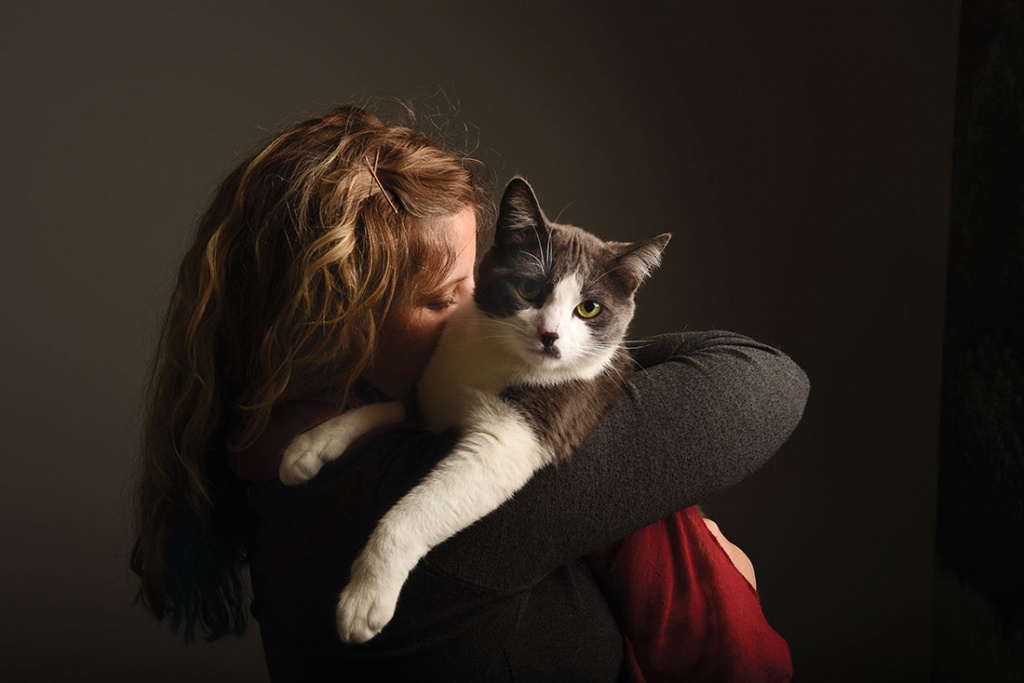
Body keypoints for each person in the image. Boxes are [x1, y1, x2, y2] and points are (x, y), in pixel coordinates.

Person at [131, 103, 809, 681]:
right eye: (439, 297)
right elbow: (767, 380)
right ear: (336, 328)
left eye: (474, 276)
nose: (471, 310)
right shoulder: (429, 495)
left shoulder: (287, 458)